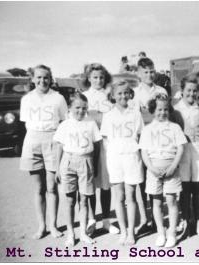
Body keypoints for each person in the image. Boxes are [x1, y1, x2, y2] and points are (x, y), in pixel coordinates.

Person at [20, 64, 68, 239]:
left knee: (52, 187)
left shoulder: (58, 98)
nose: (42, 80)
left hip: (53, 141)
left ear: (51, 79)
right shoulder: (26, 99)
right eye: (39, 77)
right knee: (38, 188)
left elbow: (64, 122)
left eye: (46, 77)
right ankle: (42, 226)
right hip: (32, 141)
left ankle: (53, 226)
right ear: (33, 79)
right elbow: (26, 123)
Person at [139, 93, 187, 248]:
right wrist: (151, 168)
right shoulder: (147, 129)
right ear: (153, 110)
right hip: (154, 170)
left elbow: (180, 148)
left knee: (172, 201)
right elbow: (144, 152)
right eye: (159, 109)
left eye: (165, 109)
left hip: (171, 168)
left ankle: (172, 232)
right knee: (156, 202)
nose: (162, 112)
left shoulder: (174, 127)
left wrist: (173, 166)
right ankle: (161, 232)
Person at [100, 79, 144, 245]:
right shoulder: (108, 115)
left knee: (131, 196)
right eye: (119, 93)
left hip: (132, 157)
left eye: (126, 92)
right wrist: (109, 158)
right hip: (115, 158)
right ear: (113, 95)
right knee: (119, 196)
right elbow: (105, 140)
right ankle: (123, 231)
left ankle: (131, 231)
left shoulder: (136, 114)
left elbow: (140, 135)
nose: (123, 96)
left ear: (130, 94)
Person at [53, 93, 101, 246]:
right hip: (68, 162)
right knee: (70, 200)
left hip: (86, 161)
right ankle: (70, 234)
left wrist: (95, 164)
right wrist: (58, 169)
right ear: (70, 108)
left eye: (84, 108)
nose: (80, 111)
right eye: (77, 108)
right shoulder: (65, 124)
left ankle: (83, 234)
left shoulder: (91, 123)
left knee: (84, 199)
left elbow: (97, 145)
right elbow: (59, 146)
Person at [82, 63, 120, 236]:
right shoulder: (83, 96)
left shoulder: (109, 96)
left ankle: (105, 221)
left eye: (101, 77)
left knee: (105, 184)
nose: (98, 80)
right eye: (95, 77)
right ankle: (91, 219)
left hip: (105, 144)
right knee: (89, 181)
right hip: (88, 144)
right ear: (89, 78)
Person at [132, 57, 168, 233]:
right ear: (138, 74)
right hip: (143, 140)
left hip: (160, 140)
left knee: (158, 177)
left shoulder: (161, 90)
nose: (149, 75)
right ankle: (144, 218)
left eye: (152, 71)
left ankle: (158, 217)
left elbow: (165, 114)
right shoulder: (135, 93)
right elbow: (135, 118)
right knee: (142, 179)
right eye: (145, 72)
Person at [173, 75, 199, 238]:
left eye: (195, 91)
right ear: (182, 91)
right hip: (182, 151)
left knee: (197, 189)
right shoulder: (175, 109)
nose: (192, 94)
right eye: (188, 90)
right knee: (184, 189)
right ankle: (187, 222)